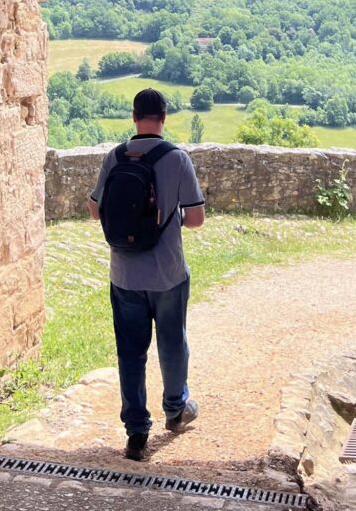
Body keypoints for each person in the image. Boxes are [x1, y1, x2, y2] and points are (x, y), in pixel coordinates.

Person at [87, 87, 206, 462]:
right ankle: (175, 408)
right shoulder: (176, 158)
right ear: (164, 118)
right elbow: (197, 219)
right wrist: (170, 217)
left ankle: (136, 433)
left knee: (130, 352)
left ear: (134, 117)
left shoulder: (116, 156)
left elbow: (95, 211)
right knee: (172, 342)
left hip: (124, 273)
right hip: (167, 272)